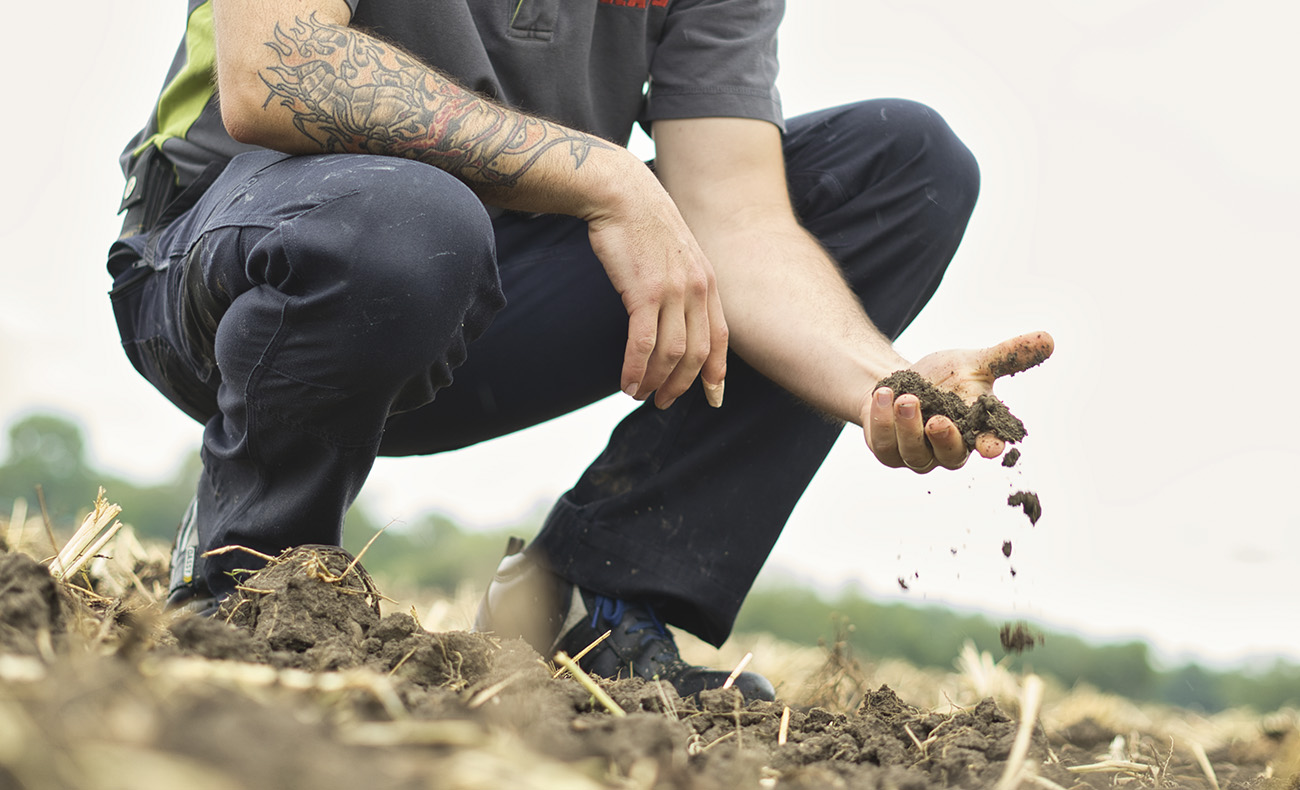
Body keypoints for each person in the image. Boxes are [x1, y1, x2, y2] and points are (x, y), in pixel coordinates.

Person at [108, 0, 1053, 702]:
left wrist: (885, 384)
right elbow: (276, 66)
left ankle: (594, 608)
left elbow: (737, 221)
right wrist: (600, 173)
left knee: (905, 162)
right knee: (412, 219)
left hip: (482, 285)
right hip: (236, 257)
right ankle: (251, 571)